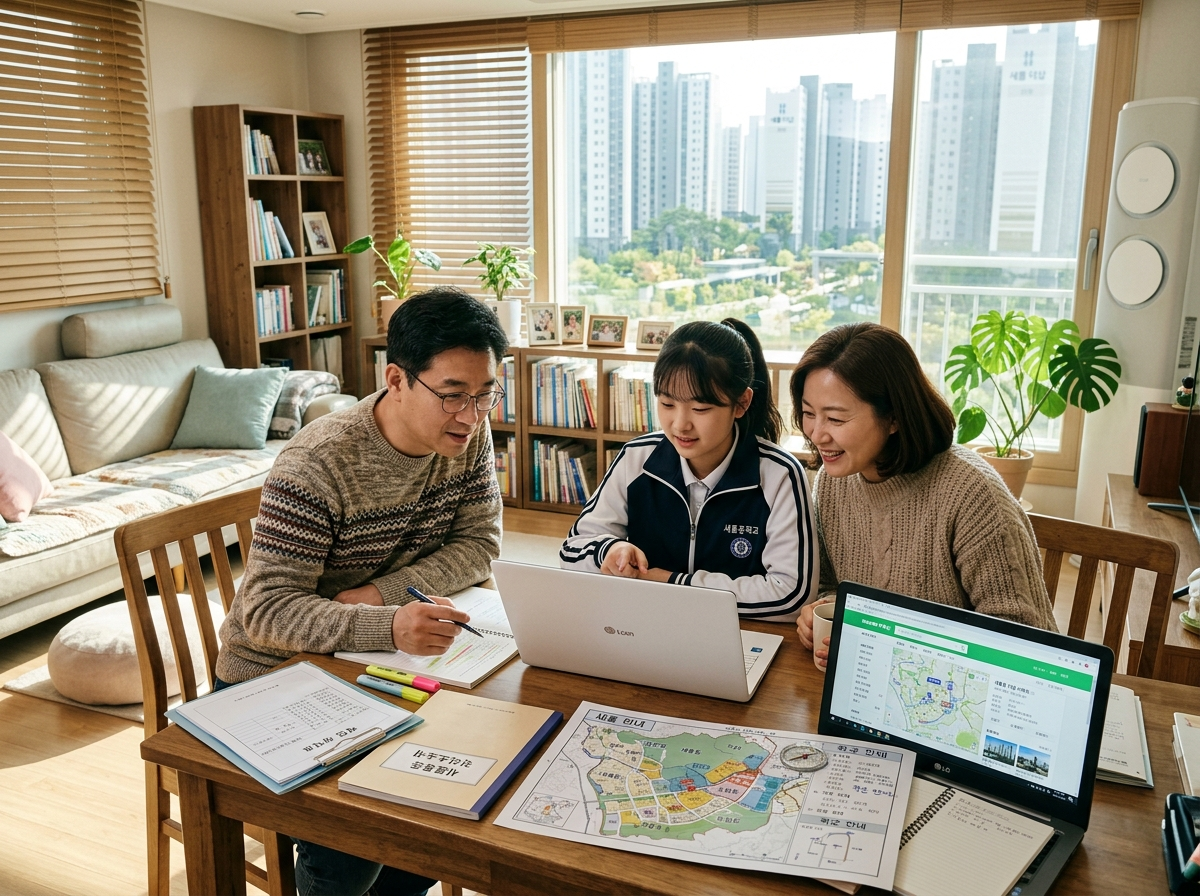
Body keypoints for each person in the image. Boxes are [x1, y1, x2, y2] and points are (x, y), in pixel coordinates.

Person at [215, 286, 508, 896]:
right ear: (396, 378)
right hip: (273, 674)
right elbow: (267, 612)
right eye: (453, 395)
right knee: (363, 832)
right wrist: (391, 624)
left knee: (456, 794)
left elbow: (480, 545)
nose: (471, 414)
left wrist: (380, 597)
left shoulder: (467, 437)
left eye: (485, 394)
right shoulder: (318, 464)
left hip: (370, 658)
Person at [789, 322, 1057, 668]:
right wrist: (819, 616)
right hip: (872, 685)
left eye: (836, 419)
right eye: (809, 414)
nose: (817, 433)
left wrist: (887, 646)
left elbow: (1021, 637)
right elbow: (831, 585)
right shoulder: (831, 482)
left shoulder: (970, 493)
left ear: (894, 418)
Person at [560, 318, 817, 620]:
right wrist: (610, 550)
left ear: (741, 403)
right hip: (644, 625)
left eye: (700, 409)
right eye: (667, 404)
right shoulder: (636, 458)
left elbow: (791, 593)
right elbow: (572, 550)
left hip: (739, 636)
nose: (681, 424)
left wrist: (675, 584)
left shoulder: (779, 475)